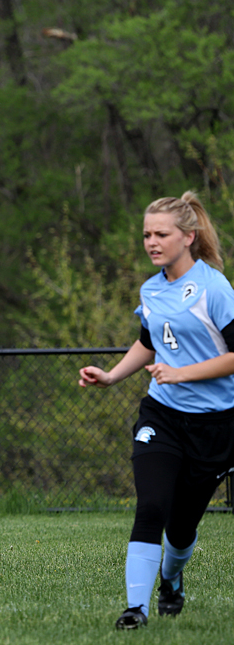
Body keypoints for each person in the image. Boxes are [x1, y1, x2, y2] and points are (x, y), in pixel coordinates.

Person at [78, 192, 234, 630]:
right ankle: (135, 609)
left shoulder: (215, 289)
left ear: (189, 236)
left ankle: (172, 577)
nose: (151, 242)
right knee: (151, 506)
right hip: (162, 415)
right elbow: (150, 343)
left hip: (215, 427)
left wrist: (185, 374)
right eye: (146, 234)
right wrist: (111, 376)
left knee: (181, 530)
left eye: (161, 234)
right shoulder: (151, 287)